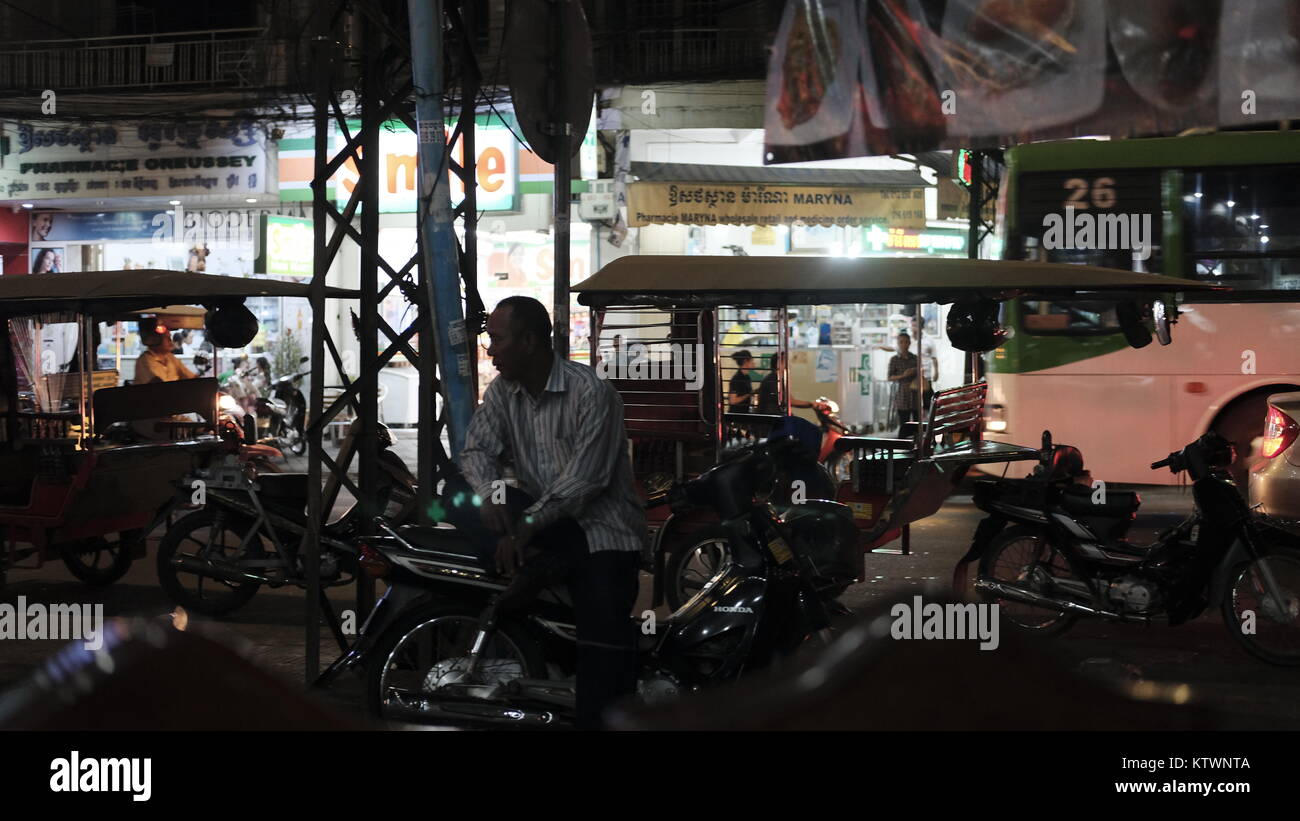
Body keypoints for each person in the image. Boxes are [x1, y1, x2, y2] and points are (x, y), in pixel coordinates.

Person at [458, 295, 644, 729]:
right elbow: (476, 451)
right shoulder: (503, 392)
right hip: (542, 525)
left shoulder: (591, 392)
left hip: (600, 530)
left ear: (528, 341)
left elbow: (586, 481)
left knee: (603, 642)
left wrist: (524, 525)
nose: (490, 350)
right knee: (454, 491)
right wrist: (493, 495)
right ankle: (534, 566)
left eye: (497, 340)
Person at [886, 332, 921, 439]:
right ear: (898, 343)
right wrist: (903, 375)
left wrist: (916, 371)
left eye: (906, 342)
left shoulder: (915, 358)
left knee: (917, 422)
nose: (904, 344)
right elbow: (890, 377)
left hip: (915, 391)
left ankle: (917, 445)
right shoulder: (894, 359)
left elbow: (922, 373)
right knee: (904, 422)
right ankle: (902, 445)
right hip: (902, 392)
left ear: (910, 343)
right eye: (901, 342)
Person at [756, 350, 813, 415]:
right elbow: (789, 401)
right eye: (785, 362)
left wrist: (811, 404)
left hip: (778, 416)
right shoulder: (772, 380)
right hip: (771, 419)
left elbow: (790, 399)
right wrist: (811, 404)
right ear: (778, 364)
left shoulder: (779, 379)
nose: (788, 365)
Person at [727, 349, 755, 414]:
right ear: (745, 361)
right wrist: (748, 395)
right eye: (751, 360)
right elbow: (732, 401)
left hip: (744, 413)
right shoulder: (737, 379)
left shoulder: (747, 377)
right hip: (736, 415)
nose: (753, 362)